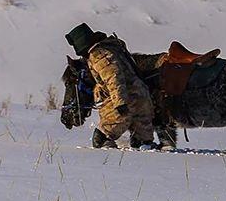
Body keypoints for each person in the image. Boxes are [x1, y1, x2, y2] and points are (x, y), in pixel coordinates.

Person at [65, 22, 158, 150]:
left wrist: (120, 103)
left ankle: (112, 163)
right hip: (141, 98)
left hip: (125, 99)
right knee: (143, 143)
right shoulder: (112, 48)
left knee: (101, 138)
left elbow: (113, 78)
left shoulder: (98, 55)